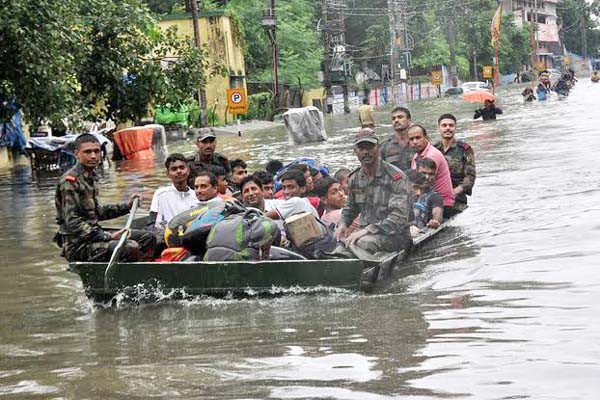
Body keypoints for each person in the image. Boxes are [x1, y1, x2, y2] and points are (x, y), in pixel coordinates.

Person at [55, 134, 156, 262]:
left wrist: (127, 206)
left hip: (93, 236)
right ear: (77, 154)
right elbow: (73, 222)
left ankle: (142, 274)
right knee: (129, 247)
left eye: (96, 151)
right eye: (87, 152)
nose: (93, 156)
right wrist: (107, 236)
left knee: (147, 237)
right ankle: (124, 280)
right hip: (78, 244)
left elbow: (97, 212)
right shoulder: (70, 181)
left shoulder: (90, 177)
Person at [334, 128, 413, 259]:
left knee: (362, 243)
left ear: (378, 148)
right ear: (355, 151)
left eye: (370, 147)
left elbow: (398, 218)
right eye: (361, 148)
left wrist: (367, 230)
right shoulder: (355, 178)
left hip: (396, 236)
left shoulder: (395, 177)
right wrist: (343, 224)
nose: (366, 152)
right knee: (338, 250)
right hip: (367, 233)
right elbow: (350, 208)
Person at [148, 153, 199, 237]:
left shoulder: (197, 195)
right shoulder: (160, 194)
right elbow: (152, 223)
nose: (179, 171)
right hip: (167, 237)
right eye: (174, 169)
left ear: (188, 171)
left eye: (182, 167)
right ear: (168, 174)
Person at [433, 114, 476, 213]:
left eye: (451, 125)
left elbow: (470, 176)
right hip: (436, 194)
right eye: (444, 125)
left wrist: (455, 191)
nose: (448, 128)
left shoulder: (465, 149)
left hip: (457, 196)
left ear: (455, 128)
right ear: (439, 128)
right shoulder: (433, 149)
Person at [408, 124, 454, 210]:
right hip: (428, 201)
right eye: (411, 139)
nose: (414, 142)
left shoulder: (432, 155)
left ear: (426, 138)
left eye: (418, 138)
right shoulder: (416, 155)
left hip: (441, 204)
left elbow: (425, 185)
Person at [406, 169, 443, 235]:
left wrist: (434, 222)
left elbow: (437, 218)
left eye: (420, 188)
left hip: (417, 232)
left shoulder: (434, 196)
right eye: (415, 187)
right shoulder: (394, 198)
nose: (418, 193)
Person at [380, 106, 415, 171]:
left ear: (409, 121)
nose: (396, 120)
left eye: (400, 117)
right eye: (393, 118)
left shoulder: (418, 142)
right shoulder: (385, 146)